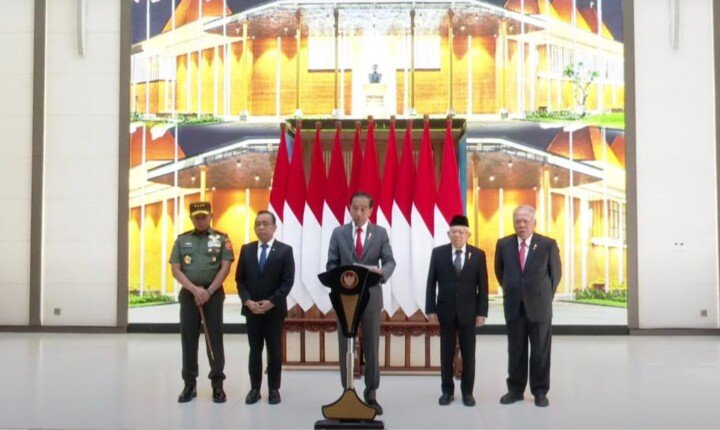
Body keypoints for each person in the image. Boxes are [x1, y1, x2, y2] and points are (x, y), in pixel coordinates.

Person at [326, 192, 395, 415]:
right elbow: (331, 264)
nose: (359, 213)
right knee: (345, 345)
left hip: (371, 296)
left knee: (372, 346)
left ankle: (371, 394)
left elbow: (390, 261)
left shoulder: (380, 233)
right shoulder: (338, 233)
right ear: (349, 208)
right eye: (355, 208)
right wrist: (341, 277)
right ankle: (347, 390)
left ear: (370, 210)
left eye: (363, 209)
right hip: (345, 298)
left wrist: (382, 272)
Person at [495, 205, 561, 407]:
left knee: (540, 351)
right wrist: (515, 290)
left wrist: (542, 297)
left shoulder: (547, 244)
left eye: (525, 221)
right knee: (516, 350)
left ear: (534, 223)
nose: (521, 224)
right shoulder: (504, 244)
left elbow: (555, 275)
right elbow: (500, 273)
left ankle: (540, 392)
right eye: (518, 221)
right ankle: (515, 391)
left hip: (539, 308)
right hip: (514, 306)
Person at [170, 201, 233, 403]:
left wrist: (209, 290)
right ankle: (189, 384)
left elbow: (225, 268)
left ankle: (217, 383)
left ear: (211, 216)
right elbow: (176, 269)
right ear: (191, 218)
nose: (200, 220)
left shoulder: (222, 238)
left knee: (214, 338)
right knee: (188, 339)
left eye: (204, 216)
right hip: (189, 294)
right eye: (197, 217)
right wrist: (195, 290)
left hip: (213, 295)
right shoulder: (182, 240)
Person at [425, 214, 488, 407]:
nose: (457, 235)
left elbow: (483, 286)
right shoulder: (438, 253)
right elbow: (431, 282)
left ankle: (467, 393)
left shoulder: (478, 255)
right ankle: (447, 391)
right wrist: (430, 309)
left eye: (461, 232)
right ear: (448, 234)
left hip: (469, 312)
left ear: (468, 235)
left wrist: (482, 312)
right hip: (445, 311)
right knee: (446, 354)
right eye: (454, 232)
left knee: (469, 355)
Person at [235, 210, 295, 405]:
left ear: (274, 227)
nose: (261, 227)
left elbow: (287, 281)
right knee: (255, 350)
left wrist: (271, 302)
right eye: (257, 224)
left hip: (274, 311)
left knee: (274, 350)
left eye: (265, 224)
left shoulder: (285, 251)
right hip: (252, 310)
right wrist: (247, 301)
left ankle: (274, 389)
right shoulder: (247, 250)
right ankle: (254, 389)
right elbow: (240, 280)